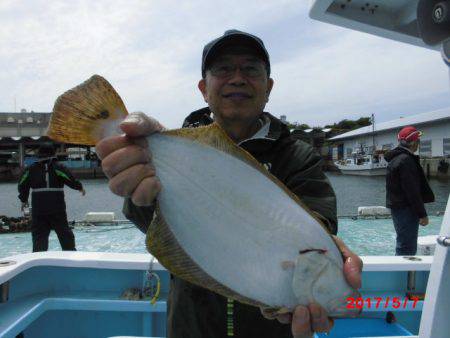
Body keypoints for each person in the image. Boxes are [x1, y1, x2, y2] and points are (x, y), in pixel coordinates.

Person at [96, 29, 363, 337]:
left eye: (251, 69)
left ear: (268, 86)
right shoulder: (171, 152)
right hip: (191, 325)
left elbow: (318, 221)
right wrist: (137, 191)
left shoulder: (297, 155)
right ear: (203, 88)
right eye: (223, 69)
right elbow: (150, 222)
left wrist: (327, 247)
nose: (237, 78)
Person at [18, 144, 86, 252]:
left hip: (38, 208)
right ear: (53, 154)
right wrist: (79, 187)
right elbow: (69, 178)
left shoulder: (30, 169)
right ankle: (70, 255)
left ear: (39, 154)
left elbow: (22, 184)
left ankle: (38, 260)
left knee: (39, 236)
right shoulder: (58, 167)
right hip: (57, 208)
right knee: (64, 233)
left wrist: (23, 200)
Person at [385, 126, 435, 255]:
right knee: (407, 245)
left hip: (397, 207)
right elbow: (412, 191)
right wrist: (422, 214)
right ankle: (403, 273)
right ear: (413, 142)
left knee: (403, 242)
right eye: (418, 141)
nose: (418, 144)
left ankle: (400, 270)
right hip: (406, 208)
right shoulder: (406, 160)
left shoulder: (395, 159)